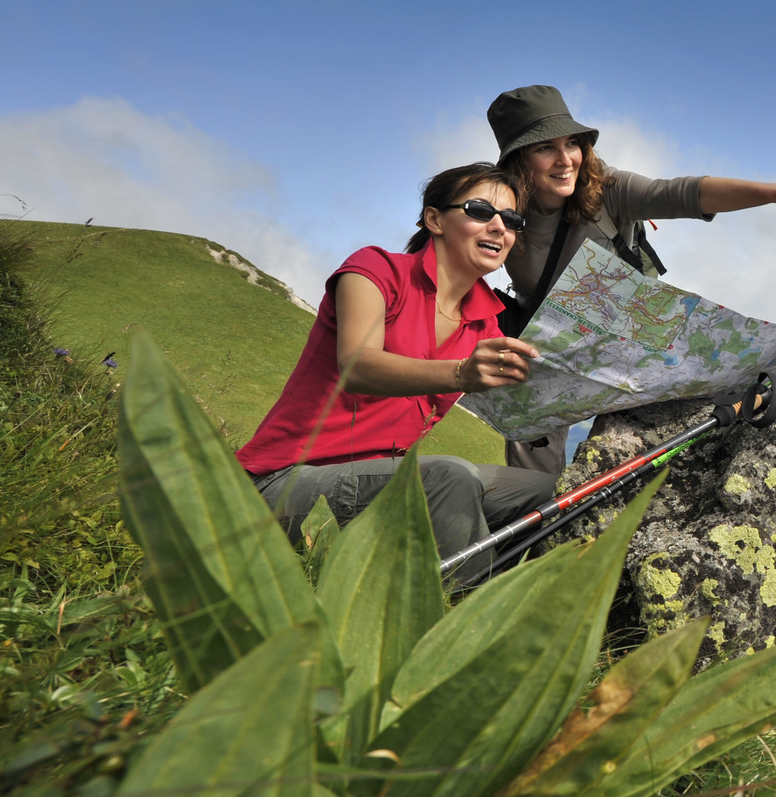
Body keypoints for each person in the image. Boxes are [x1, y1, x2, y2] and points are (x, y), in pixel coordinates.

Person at [486, 85, 776, 477]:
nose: (566, 159)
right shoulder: (500, 210)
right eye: (545, 148)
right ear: (519, 159)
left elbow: (680, 194)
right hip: (549, 350)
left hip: (632, 336)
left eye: (572, 142)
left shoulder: (607, 190)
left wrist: (775, 193)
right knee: (530, 465)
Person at [236, 162, 554, 584]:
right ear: (434, 219)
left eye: (512, 220)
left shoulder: (486, 323)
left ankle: (436, 580)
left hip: (378, 478)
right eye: (481, 211)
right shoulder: (375, 270)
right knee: (449, 477)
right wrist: (461, 373)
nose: (500, 227)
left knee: (544, 490)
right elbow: (357, 365)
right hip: (282, 485)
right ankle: (469, 623)